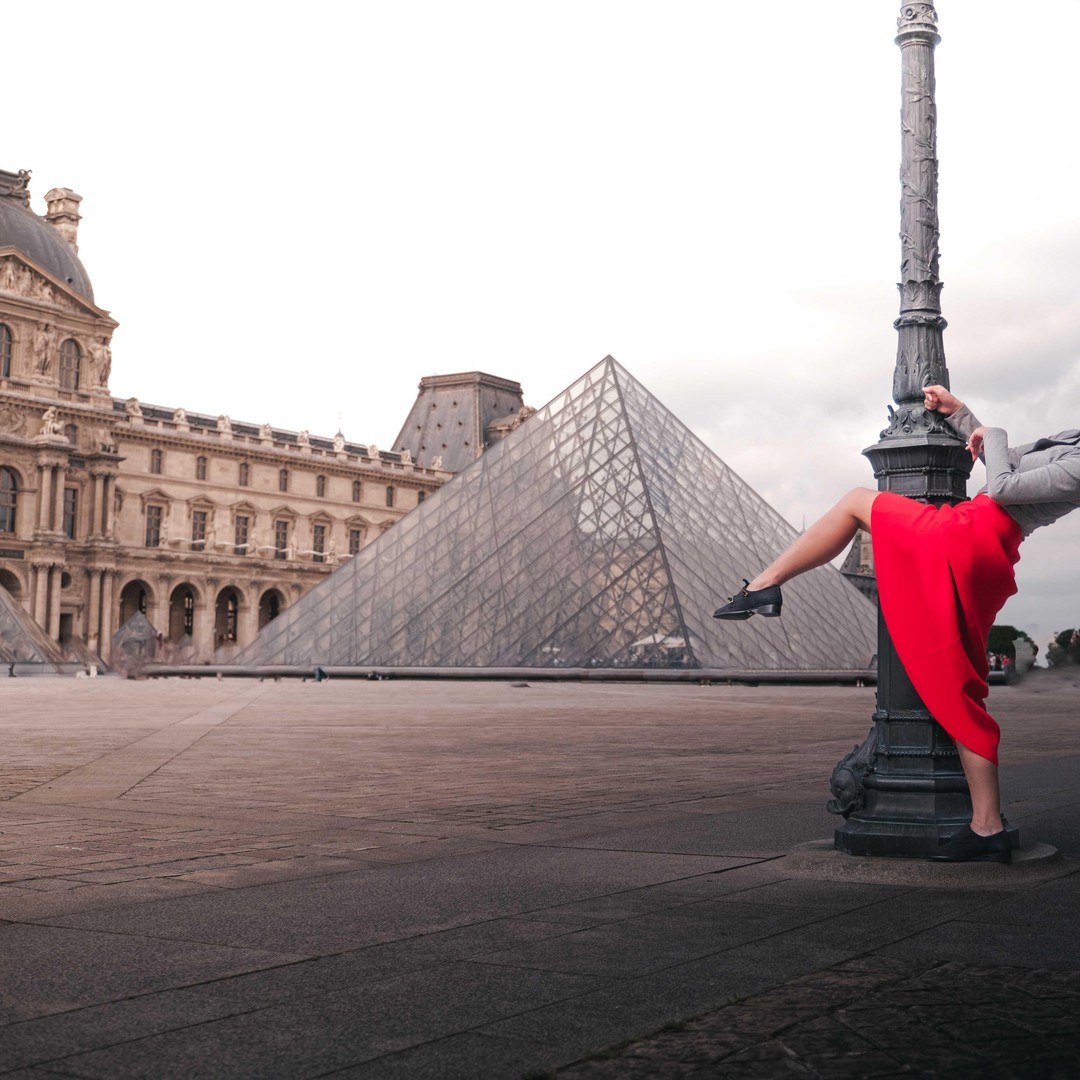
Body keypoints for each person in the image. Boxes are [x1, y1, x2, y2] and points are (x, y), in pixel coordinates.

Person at [714, 384, 1080, 863]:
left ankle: (765, 584)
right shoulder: (1072, 441)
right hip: (980, 543)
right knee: (958, 687)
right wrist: (962, 414)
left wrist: (996, 433)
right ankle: (987, 824)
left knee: (855, 502)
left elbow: (1004, 486)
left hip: (969, 536)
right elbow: (1005, 463)